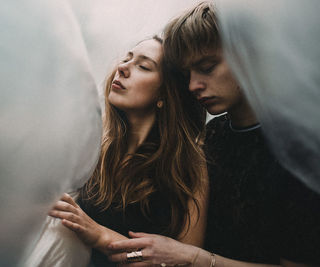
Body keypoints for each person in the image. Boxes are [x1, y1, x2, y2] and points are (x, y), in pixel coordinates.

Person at [108, 2, 320, 266]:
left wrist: (190, 256)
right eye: (187, 73)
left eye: (207, 68)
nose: (192, 85)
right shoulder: (212, 135)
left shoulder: (301, 147)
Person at [50, 36, 209, 266]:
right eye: (126, 58)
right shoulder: (91, 143)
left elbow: (187, 262)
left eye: (143, 66)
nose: (122, 68)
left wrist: (101, 236)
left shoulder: (188, 165)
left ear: (165, 94)